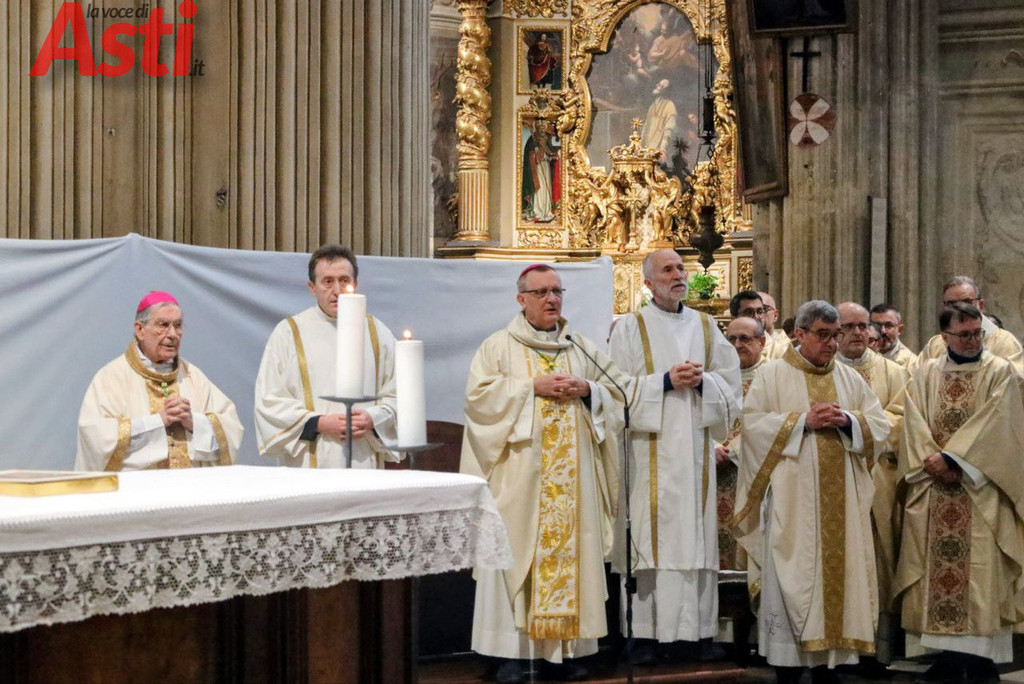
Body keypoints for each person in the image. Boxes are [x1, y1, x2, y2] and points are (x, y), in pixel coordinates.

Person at [461, 264, 630, 683]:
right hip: (520, 482)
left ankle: (566, 654)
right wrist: (529, 388)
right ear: (522, 299)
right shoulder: (497, 347)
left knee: (574, 556)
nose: (552, 299)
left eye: (557, 291)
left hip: (574, 483)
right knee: (516, 559)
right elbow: (478, 402)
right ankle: (513, 655)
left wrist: (588, 391)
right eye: (541, 292)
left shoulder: (580, 348)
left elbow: (620, 393)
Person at [734, 300, 890, 684]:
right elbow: (751, 428)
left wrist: (849, 420)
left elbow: (879, 425)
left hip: (843, 506)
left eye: (836, 335)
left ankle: (828, 665)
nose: (833, 344)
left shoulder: (849, 379)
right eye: (823, 335)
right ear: (799, 334)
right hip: (792, 504)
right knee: (791, 575)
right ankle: (787, 666)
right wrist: (801, 421)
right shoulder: (772, 375)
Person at [609, 249, 742, 662]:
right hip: (647, 451)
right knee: (651, 540)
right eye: (668, 269)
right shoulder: (630, 327)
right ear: (648, 282)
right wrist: (663, 382)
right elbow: (613, 389)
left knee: (695, 540)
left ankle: (696, 634)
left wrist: (704, 384)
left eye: (681, 268)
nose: (678, 274)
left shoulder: (705, 326)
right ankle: (646, 636)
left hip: (696, 452)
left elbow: (730, 383)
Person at [893, 303, 1024, 682]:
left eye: (977, 333)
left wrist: (955, 460)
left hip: (981, 488)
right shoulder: (926, 372)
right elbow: (912, 420)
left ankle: (982, 661)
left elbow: (1001, 424)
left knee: (983, 575)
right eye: (963, 334)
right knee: (935, 572)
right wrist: (932, 461)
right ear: (945, 337)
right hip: (933, 485)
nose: (972, 341)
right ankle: (948, 658)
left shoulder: (999, 371)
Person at [254, 245, 398, 469]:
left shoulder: (377, 333)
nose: (337, 290)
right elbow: (269, 399)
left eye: (344, 280)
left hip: (363, 458)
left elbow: (400, 394)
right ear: (312, 288)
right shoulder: (289, 333)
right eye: (327, 282)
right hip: (309, 462)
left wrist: (373, 418)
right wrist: (318, 423)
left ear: (355, 284)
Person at [76, 291, 243, 471]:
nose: (173, 334)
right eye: (163, 325)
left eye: (178, 325)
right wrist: (158, 422)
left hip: (190, 486)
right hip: (137, 487)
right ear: (140, 330)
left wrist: (192, 422)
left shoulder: (193, 377)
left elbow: (231, 429)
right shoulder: (111, 378)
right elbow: (96, 438)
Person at [834, 302, 910, 667]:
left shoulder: (892, 372)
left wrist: (855, 425)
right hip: (833, 477)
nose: (858, 333)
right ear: (835, 332)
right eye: (849, 327)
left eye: (863, 326)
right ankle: (837, 646)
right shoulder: (823, 371)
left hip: (877, 477)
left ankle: (877, 651)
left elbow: (902, 418)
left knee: (877, 564)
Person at [913, 276, 1023, 375]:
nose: (960, 309)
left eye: (967, 302)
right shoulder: (935, 346)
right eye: (952, 304)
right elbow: (915, 384)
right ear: (944, 308)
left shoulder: (1004, 344)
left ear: (980, 305)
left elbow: (1015, 385)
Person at [869, 303, 916, 367]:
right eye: (877, 325)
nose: (883, 331)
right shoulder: (859, 357)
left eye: (889, 326)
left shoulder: (912, 364)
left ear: (899, 329)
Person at [641, 79, 677, 161]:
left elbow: (669, 129)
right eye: (658, 84)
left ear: (665, 91)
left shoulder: (670, 106)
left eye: (660, 85)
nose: (657, 86)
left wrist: (663, 148)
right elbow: (646, 126)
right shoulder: (652, 106)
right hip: (647, 147)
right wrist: (640, 143)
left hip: (658, 149)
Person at [758, 291, 791, 360]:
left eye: (762, 309)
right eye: (749, 311)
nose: (756, 315)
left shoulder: (786, 348)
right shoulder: (738, 343)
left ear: (775, 315)